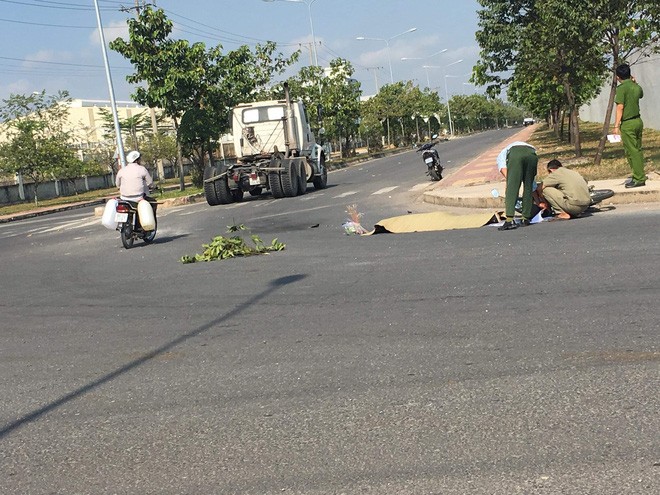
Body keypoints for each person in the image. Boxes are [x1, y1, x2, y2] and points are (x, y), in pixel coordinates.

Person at [612, 63, 645, 188]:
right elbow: (641, 94)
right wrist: (634, 82)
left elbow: (620, 107)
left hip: (627, 123)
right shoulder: (636, 87)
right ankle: (640, 173)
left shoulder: (621, 89)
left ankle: (638, 178)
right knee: (638, 149)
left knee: (632, 151)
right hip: (638, 121)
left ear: (618, 77)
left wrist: (616, 126)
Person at [496, 141, 538, 231]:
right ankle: (525, 218)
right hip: (532, 153)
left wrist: (510, 185)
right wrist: (538, 201)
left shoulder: (500, 156)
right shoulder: (515, 148)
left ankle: (510, 220)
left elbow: (509, 178)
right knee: (528, 185)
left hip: (516, 154)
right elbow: (532, 184)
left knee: (512, 187)